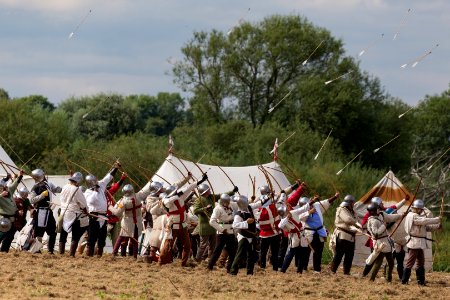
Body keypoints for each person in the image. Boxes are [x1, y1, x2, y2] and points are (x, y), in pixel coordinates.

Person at [158, 173, 208, 267]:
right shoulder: (166, 199)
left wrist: (201, 180)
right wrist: (176, 195)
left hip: (183, 225)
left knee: (187, 245)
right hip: (173, 226)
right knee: (168, 245)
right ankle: (161, 261)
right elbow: (167, 203)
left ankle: (183, 264)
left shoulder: (180, 197)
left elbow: (190, 187)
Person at [84, 161, 120, 257]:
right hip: (93, 217)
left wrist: (115, 168)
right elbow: (92, 201)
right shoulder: (87, 193)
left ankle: (99, 255)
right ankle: (89, 256)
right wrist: (95, 190)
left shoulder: (100, 185)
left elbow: (108, 178)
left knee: (101, 239)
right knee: (91, 239)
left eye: (96, 181)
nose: (96, 182)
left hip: (103, 217)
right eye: (94, 182)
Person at [194, 184, 237, 263]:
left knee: (212, 245)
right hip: (204, 225)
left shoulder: (212, 197)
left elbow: (222, 195)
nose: (209, 191)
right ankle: (197, 260)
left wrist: (232, 191)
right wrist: (205, 208)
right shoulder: (198, 200)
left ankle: (210, 259)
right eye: (208, 190)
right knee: (203, 245)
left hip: (214, 225)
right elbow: (195, 211)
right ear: (204, 192)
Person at [401, 199, 441, 285]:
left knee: (420, 262)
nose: (421, 211)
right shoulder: (412, 215)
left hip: (419, 243)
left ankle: (421, 281)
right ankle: (404, 281)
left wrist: (437, 226)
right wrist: (436, 219)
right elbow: (424, 221)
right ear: (416, 208)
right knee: (410, 262)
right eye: (420, 209)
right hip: (414, 242)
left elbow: (426, 228)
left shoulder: (415, 216)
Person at [109, 182, 152, 258]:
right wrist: (150, 185)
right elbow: (146, 191)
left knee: (121, 236)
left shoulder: (123, 201)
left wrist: (110, 207)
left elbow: (117, 213)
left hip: (127, 221)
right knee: (135, 238)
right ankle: (134, 256)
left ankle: (114, 253)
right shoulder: (138, 196)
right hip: (137, 221)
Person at [230, 194, 268, 275]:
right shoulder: (238, 214)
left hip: (252, 236)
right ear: (243, 203)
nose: (248, 202)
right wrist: (246, 222)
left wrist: (268, 197)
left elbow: (259, 204)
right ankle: (233, 272)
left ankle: (250, 272)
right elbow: (234, 225)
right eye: (246, 201)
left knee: (251, 255)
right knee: (239, 255)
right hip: (243, 236)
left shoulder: (249, 207)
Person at [364, 202, 402, 282]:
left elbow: (390, 217)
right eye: (377, 209)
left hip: (385, 242)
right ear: (374, 211)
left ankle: (388, 279)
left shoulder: (380, 215)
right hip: (380, 243)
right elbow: (376, 233)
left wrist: (401, 215)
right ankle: (371, 279)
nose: (379, 210)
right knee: (378, 262)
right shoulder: (373, 221)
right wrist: (384, 225)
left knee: (391, 262)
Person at [301, 192, 339, 273]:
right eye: (309, 204)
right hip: (309, 233)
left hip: (320, 232)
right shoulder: (302, 211)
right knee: (306, 252)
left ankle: (317, 270)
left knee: (318, 252)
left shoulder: (316, 205)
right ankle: (304, 268)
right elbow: (302, 218)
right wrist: (309, 212)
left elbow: (326, 202)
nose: (311, 204)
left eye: (311, 203)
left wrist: (335, 197)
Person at [29, 168, 62, 254]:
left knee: (53, 231)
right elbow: (32, 200)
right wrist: (42, 195)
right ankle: (37, 249)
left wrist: (66, 188)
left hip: (48, 211)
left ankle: (50, 250)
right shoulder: (35, 187)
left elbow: (56, 189)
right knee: (39, 232)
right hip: (40, 211)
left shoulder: (48, 184)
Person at [58, 172, 89, 257]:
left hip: (63, 212)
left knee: (63, 233)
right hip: (73, 214)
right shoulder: (77, 189)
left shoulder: (65, 187)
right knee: (75, 235)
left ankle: (61, 252)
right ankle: (71, 254)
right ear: (78, 181)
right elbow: (83, 203)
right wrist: (86, 211)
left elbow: (61, 199)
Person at [329, 194, 361, 275]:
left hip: (351, 236)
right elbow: (348, 220)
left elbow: (356, 219)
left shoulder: (352, 211)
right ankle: (333, 271)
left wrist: (357, 222)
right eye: (353, 203)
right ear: (350, 203)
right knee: (339, 254)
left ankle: (346, 272)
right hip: (343, 235)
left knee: (349, 256)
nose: (354, 204)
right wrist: (357, 224)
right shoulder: (341, 209)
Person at [279, 200, 312, 273]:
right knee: (290, 254)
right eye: (287, 211)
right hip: (294, 237)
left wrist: (311, 202)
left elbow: (303, 208)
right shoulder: (283, 220)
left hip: (301, 235)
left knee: (302, 253)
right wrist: (287, 218)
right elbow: (280, 226)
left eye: (288, 210)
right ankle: (283, 270)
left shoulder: (293, 212)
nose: (289, 212)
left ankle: (299, 271)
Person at [207, 194, 237, 272]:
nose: (228, 203)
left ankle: (229, 269)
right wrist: (222, 230)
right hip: (222, 233)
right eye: (226, 202)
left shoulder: (231, 205)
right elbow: (212, 221)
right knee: (217, 251)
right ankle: (209, 266)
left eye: (228, 201)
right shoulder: (217, 209)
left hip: (230, 231)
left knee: (232, 251)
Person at [0, 170, 24, 252]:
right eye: (4, 188)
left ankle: (4, 251)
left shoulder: (9, 190)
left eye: (6, 187)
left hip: (13, 219)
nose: (6, 188)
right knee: (1, 235)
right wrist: (0, 196)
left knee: (10, 236)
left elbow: (15, 184)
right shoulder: (1, 195)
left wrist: (20, 176)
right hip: (4, 220)